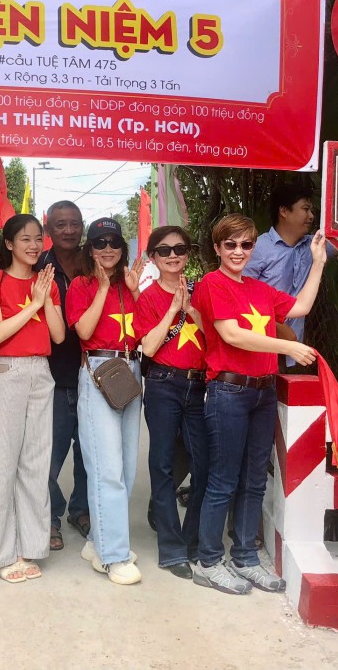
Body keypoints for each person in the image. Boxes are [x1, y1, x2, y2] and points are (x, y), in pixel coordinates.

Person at [191, 214, 327, 595]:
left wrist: (317, 262)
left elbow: (301, 307)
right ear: (217, 248)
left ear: (254, 247)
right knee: (223, 480)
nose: (238, 251)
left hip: (263, 393)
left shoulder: (260, 289)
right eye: (230, 244)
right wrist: (288, 347)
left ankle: (245, 558)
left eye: (246, 244)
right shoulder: (212, 284)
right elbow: (232, 335)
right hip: (228, 391)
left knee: (254, 481)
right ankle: (209, 561)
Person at [0, 214, 67, 583]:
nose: (33, 245)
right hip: (8, 372)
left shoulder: (47, 282)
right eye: (25, 239)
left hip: (41, 373)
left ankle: (29, 546)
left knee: (35, 462)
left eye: (37, 238)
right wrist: (34, 304)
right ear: (9, 244)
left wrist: (45, 300)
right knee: (2, 463)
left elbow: (59, 336)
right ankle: (0, 552)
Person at [66, 217, 145, 585]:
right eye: (99, 242)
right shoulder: (81, 285)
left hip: (130, 370)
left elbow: (147, 330)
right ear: (90, 248)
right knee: (106, 467)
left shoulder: (129, 284)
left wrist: (136, 292)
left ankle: (99, 541)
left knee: (126, 467)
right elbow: (83, 330)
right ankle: (114, 556)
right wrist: (100, 288)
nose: (107, 248)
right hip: (98, 369)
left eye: (114, 242)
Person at [135, 226, 208, 580]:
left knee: (203, 463)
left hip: (198, 385)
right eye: (164, 251)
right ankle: (171, 547)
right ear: (153, 257)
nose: (173, 255)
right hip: (163, 383)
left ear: (188, 253)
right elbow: (148, 347)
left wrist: (193, 311)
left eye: (180, 249)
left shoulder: (201, 291)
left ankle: (191, 539)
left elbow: (217, 338)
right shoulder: (148, 296)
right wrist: (174, 311)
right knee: (162, 464)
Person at [35, 201, 90, 551]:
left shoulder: (95, 263)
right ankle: (50, 516)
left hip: (92, 376)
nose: (69, 230)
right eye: (60, 224)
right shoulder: (38, 267)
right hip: (50, 376)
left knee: (89, 454)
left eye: (74, 223)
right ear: (48, 230)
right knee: (48, 457)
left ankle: (81, 511)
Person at [243, 183, 315, 369]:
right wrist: (277, 328)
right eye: (305, 209)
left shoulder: (314, 246)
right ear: (283, 211)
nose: (311, 216)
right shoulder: (258, 248)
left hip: (294, 351)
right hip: (259, 345)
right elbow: (240, 294)